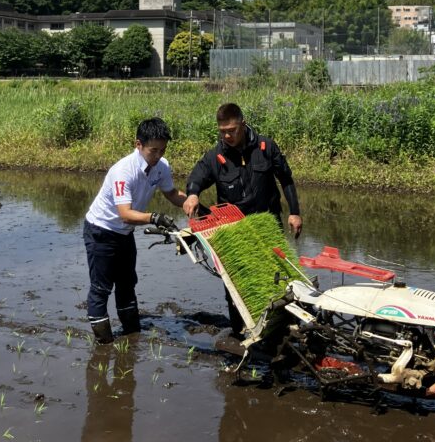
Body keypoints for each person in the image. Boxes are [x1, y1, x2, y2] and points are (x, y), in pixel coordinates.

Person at [182, 102, 302, 334]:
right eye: (222, 131)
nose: (227, 135)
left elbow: (286, 179)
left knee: (274, 276)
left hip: (267, 223)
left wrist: (295, 212)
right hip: (233, 229)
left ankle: (276, 329)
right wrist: (193, 194)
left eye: (232, 130)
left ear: (243, 125)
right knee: (235, 283)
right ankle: (238, 332)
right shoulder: (216, 156)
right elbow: (196, 178)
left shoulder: (266, 147)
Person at [83, 117, 186, 343]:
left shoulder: (161, 167)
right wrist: (154, 217)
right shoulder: (123, 171)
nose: (158, 156)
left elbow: (171, 193)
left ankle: (131, 334)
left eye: (162, 150)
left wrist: (193, 205)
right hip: (102, 230)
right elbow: (125, 213)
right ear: (138, 145)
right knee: (101, 287)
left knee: (127, 282)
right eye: (153, 150)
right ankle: (104, 343)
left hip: (124, 233)